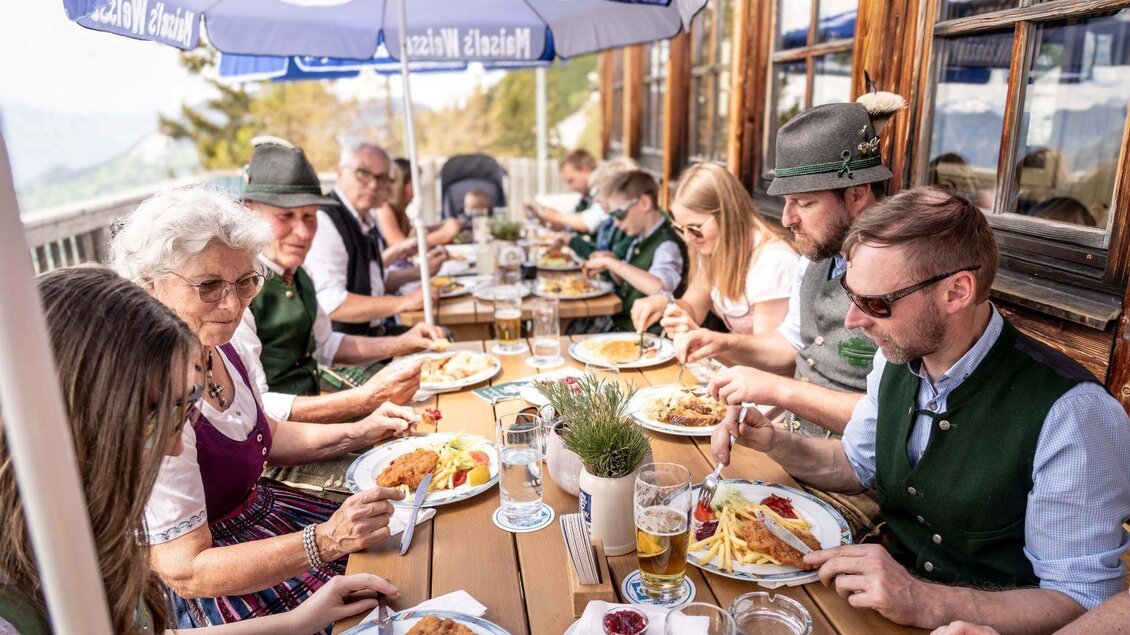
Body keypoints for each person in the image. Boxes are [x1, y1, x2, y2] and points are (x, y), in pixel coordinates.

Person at [710, 186, 1130, 633]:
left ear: (956, 292)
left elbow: (1081, 598)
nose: (854, 321)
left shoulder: (1073, 413)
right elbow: (856, 465)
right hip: (873, 602)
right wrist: (775, 442)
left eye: (876, 303)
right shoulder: (895, 355)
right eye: (851, 294)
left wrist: (925, 601)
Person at [0, 265, 400, 634]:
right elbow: (185, 570)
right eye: (158, 416)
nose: (176, 446)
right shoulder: (16, 607)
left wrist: (297, 621)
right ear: (80, 416)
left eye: (189, 402)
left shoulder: (84, 531)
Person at [110, 186, 417, 630]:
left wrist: (362, 431)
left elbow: (262, 432)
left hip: (272, 519)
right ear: (149, 284)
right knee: (388, 604)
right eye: (209, 285)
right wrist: (326, 540)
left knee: (410, 557)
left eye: (245, 282)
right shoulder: (151, 393)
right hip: (223, 584)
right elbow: (186, 570)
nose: (232, 305)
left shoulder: (224, 342)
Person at [674, 92, 907, 438]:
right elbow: (791, 344)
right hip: (794, 442)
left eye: (804, 202)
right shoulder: (818, 255)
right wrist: (723, 344)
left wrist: (777, 389)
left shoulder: (905, 273)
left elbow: (886, 416)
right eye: (786, 202)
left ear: (857, 194)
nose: (786, 219)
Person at [235, 140, 444, 423]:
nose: (303, 232)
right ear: (250, 212)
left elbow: (327, 345)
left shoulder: (298, 274)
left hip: (309, 428)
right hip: (273, 453)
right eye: (286, 216)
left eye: (309, 217)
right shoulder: (235, 294)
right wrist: (364, 400)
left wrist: (403, 342)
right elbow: (257, 407)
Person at [631, 162, 798, 341]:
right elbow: (693, 308)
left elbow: (770, 355)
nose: (687, 238)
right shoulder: (715, 249)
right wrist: (666, 304)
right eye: (680, 228)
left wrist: (711, 343)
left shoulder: (774, 263)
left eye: (695, 228)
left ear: (728, 215)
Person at [305, 142, 446, 336]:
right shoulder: (325, 221)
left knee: (445, 337)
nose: (373, 185)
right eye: (363, 173)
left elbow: (375, 282)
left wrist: (421, 272)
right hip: (347, 350)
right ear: (340, 173)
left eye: (381, 178)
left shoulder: (365, 219)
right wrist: (405, 302)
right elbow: (333, 304)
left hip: (376, 334)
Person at [575, 170, 687, 333]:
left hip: (649, 335)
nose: (616, 223)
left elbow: (660, 287)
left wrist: (612, 263)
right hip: (622, 326)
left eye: (619, 214)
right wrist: (611, 264)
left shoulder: (667, 244)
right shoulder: (639, 237)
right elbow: (625, 283)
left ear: (644, 203)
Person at [374, 157, 462, 251]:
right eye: (414, 183)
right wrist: (444, 233)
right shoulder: (383, 209)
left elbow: (409, 235)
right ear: (401, 184)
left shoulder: (399, 210)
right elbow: (401, 247)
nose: (418, 188)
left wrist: (439, 226)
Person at [526, 149, 604, 233]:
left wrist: (556, 216)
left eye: (571, 180)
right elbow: (569, 226)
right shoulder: (585, 198)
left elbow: (589, 222)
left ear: (585, 170)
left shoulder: (603, 192)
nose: (570, 187)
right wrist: (543, 220)